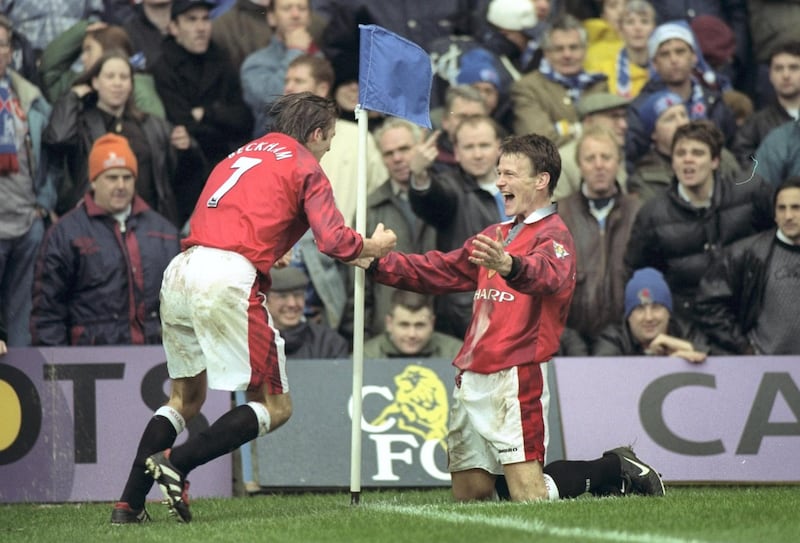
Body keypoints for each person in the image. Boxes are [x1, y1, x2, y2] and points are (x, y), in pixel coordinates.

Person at [110, 92, 397, 524]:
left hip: (183, 268)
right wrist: (373, 246)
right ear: (315, 132)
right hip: (226, 279)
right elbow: (335, 242)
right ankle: (178, 463)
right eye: (330, 138)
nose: (330, 148)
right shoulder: (306, 166)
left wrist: (266, 250)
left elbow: (234, 216)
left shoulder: (238, 154)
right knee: (277, 407)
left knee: (185, 397)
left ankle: (128, 505)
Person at [365, 132, 664, 502]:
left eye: (509, 174)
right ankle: (569, 475)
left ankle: (613, 467)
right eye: (498, 173)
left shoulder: (556, 236)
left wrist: (510, 264)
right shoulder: (496, 234)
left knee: (530, 498)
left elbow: (548, 275)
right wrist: (378, 262)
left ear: (541, 180)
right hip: (472, 375)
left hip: (516, 375)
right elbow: (439, 269)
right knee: (471, 495)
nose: (499, 181)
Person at [30, 134, 180, 345]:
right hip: (89, 367)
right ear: (93, 181)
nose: (121, 185)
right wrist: (57, 370)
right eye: (111, 177)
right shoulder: (64, 234)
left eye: (127, 177)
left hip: (154, 366)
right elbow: (47, 313)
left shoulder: (163, 232)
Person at [625, 120, 775, 324]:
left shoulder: (751, 193)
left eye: (697, 153)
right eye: (680, 154)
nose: (688, 160)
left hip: (751, 316)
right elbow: (637, 270)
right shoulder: (652, 214)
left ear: (715, 161)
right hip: (688, 325)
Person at [43, 50, 199, 226]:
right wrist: (73, 97)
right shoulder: (82, 124)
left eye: (124, 77)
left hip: (150, 223)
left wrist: (187, 147)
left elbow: (184, 172)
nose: (117, 83)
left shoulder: (151, 124)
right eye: (110, 77)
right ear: (95, 81)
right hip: (96, 224)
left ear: (131, 84)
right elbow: (58, 137)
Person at [409, 114, 505, 338]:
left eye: (484, 145)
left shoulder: (518, 186)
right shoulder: (450, 186)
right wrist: (420, 174)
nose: (478, 154)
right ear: (457, 153)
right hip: (466, 313)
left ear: (499, 148)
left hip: (517, 302)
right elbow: (433, 199)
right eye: (469, 147)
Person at [0, 15, 58, 347]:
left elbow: (51, 155)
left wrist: (43, 203)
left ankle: (19, 386)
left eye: (3, 44)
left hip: (25, 222)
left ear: (12, 51)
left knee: (22, 319)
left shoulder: (29, 98)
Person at [557, 125, 640, 350]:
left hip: (623, 336)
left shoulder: (638, 212)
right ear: (580, 166)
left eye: (606, 157)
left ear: (618, 162)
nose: (599, 165)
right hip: (569, 336)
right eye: (590, 158)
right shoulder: (558, 214)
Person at [695, 176, 800, 355]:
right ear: (774, 214)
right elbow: (708, 304)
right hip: (764, 371)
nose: (788, 216)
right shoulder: (746, 254)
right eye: (781, 208)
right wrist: (745, 347)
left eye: (796, 208)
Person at [150, 0, 253, 175]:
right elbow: (183, 123)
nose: (201, 28)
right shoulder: (163, 67)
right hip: (187, 168)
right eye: (192, 20)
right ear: (174, 27)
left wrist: (207, 114)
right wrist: (222, 120)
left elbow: (244, 120)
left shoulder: (222, 59)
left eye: (205, 19)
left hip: (229, 162)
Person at [624, 21, 737, 175]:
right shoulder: (640, 107)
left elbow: (733, 148)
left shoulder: (714, 102)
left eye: (680, 51)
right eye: (665, 54)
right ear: (655, 64)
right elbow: (632, 159)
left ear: (694, 57)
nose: (673, 60)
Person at [364, 117, 437, 336]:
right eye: (388, 153)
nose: (397, 158)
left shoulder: (448, 196)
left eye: (404, 149)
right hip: (389, 329)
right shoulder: (371, 208)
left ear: (420, 148)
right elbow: (359, 281)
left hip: (444, 325)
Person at [511, 14, 608, 146]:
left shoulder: (599, 85)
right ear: (546, 53)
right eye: (558, 49)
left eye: (573, 47)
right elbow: (539, 141)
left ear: (585, 50)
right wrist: (584, 131)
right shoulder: (527, 88)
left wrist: (567, 131)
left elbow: (611, 134)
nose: (567, 55)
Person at [38, 21, 165, 118]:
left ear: (109, 50)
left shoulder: (137, 87)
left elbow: (155, 138)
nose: (83, 58)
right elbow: (49, 71)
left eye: (89, 50)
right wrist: (82, 30)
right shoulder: (79, 84)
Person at [593, 267, 709, 362]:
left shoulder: (685, 331)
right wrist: (654, 361)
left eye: (656, 307)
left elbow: (717, 360)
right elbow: (603, 377)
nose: (649, 317)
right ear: (628, 316)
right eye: (640, 309)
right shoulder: (613, 339)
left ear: (669, 313)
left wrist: (686, 350)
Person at [240, 0, 320, 136]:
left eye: (302, 8)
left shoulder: (319, 57)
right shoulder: (255, 63)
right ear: (271, 17)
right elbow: (274, 100)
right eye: (287, 8)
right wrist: (295, 51)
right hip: (273, 146)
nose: (296, 14)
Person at [732, 42, 800, 168]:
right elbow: (743, 159)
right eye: (779, 68)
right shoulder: (756, 123)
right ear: (770, 75)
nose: (786, 75)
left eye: (794, 68)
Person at [554, 91, 629, 201]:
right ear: (588, 121)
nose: (624, 125)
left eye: (624, 117)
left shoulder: (618, 151)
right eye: (614, 117)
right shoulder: (562, 161)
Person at [265, 267, 349, 358]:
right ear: (266, 300)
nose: (292, 304)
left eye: (298, 295)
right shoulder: (253, 343)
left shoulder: (329, 343)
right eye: (282, 296)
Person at [584, 0, 656, 99]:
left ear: (654, 28)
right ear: (621, 30)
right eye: (630, 22)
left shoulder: (663, 68)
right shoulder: (603, 72)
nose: (637, 28)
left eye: (644, 21)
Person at [363, 290, 463, 359]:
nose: (412, 334)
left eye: (419, 325)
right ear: (389, 323)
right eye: (404, 325)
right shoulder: (365, 357)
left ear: (432, 323)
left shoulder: (456, 354)